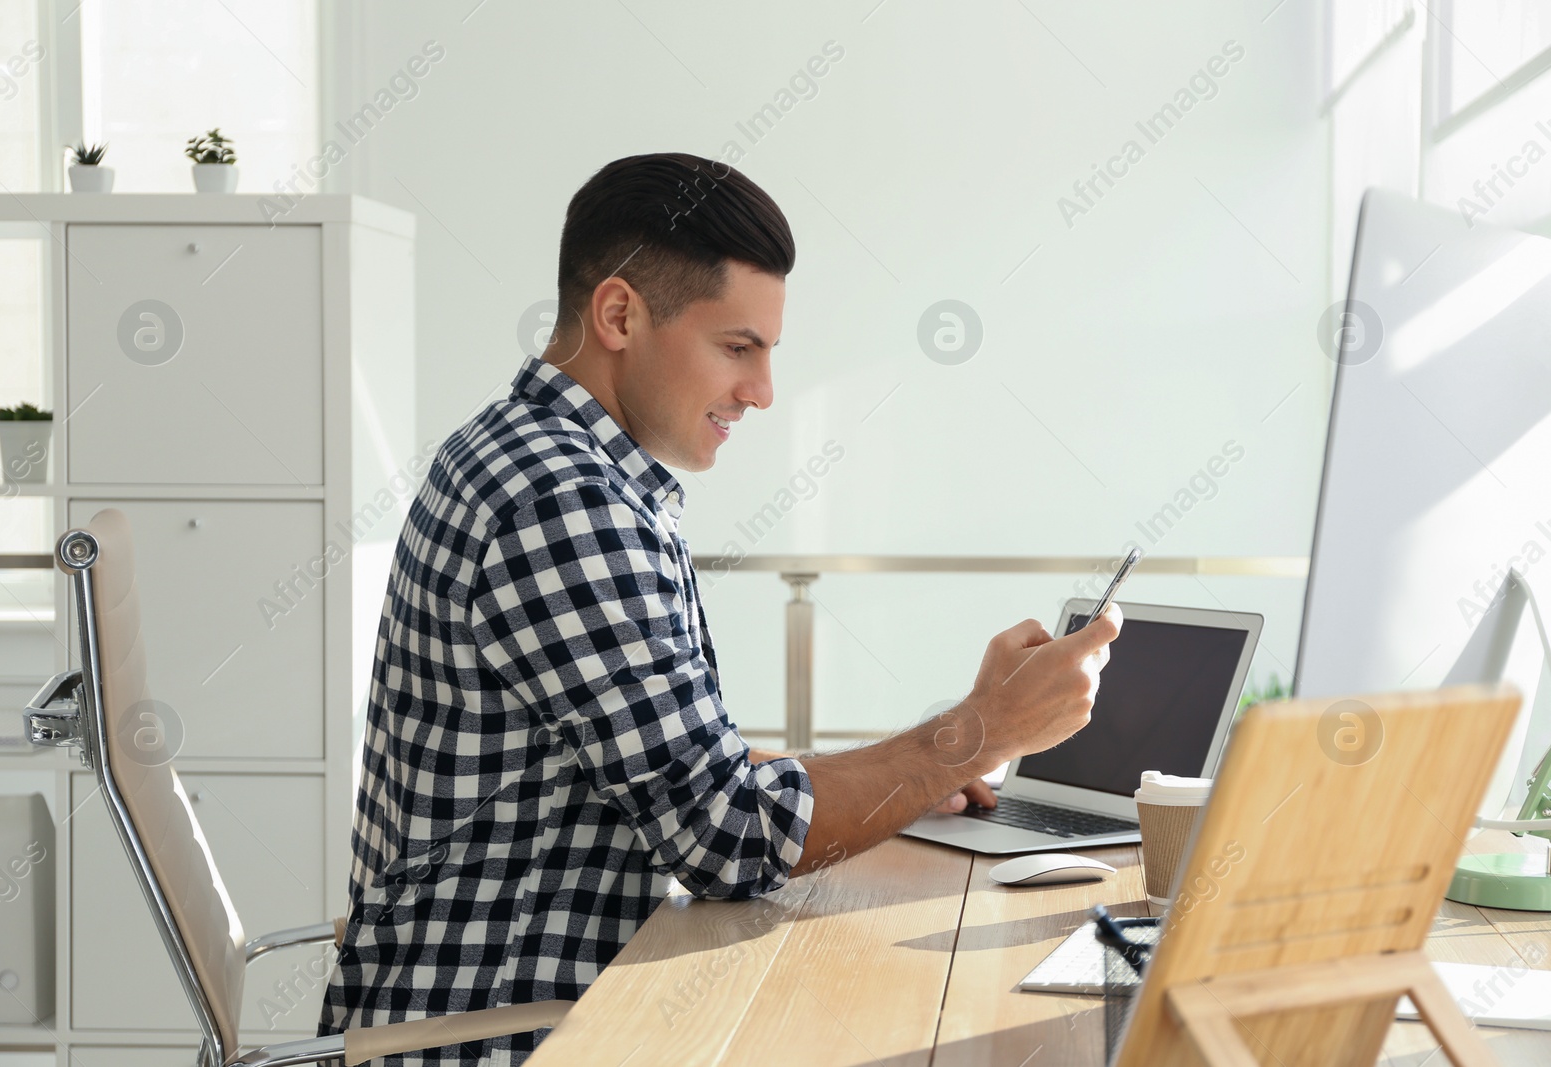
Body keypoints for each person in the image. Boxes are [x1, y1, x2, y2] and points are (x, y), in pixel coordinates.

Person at [319, 152, 1120, 1065]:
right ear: (619, 314)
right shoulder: (562, 504)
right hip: (504, 1032)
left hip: (523, 1001)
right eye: (739, 347)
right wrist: (979, 732)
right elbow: (727, 836)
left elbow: (689, 772)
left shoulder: (535, 459)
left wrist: (937, 755)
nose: (762, 390)